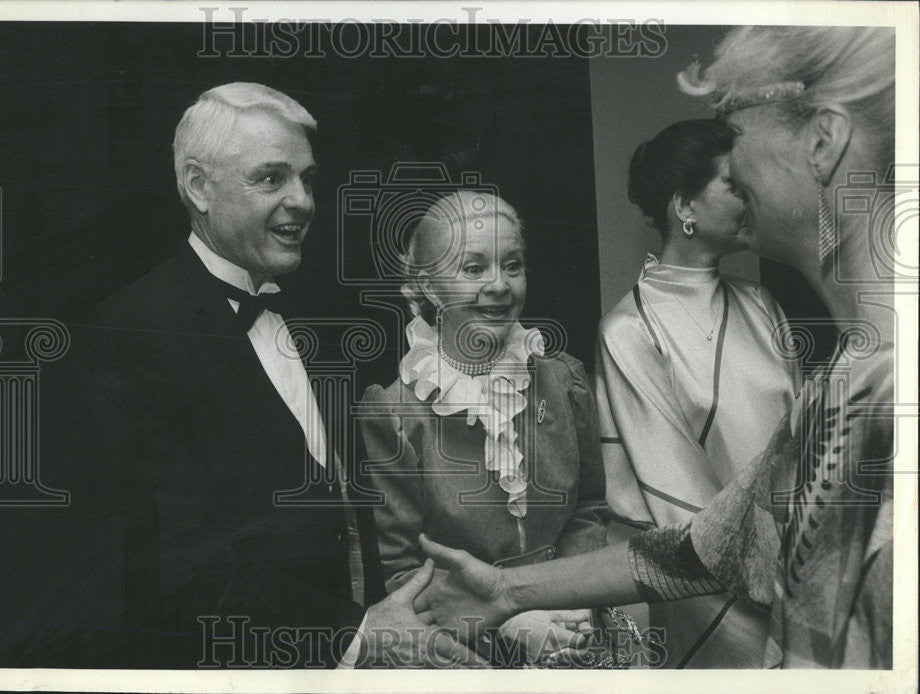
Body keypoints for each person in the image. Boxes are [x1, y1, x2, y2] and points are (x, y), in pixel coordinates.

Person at [414, 26, 896, 669]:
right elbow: (708, 546)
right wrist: (505, 590)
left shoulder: (894, 385)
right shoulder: (847, 376)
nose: (733, 165)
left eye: (736, 135)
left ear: (823, 142)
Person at [0, 83, 482, 669]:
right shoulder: (131, 330)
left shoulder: (313, 310)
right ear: (198, 187)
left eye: (308, 178)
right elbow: (175, 565)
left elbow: (347, 509)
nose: (303, 200)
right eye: (271, 178)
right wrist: (354, 633)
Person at [360, 191, 610, 665]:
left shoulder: (565, 380)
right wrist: (511, 620)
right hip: (468, 645)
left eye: (512, 265)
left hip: (575, 627)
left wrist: (575, 598)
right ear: (429, 287)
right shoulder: (393, 412)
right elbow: (401, 571)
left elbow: (588, 511)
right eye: (473, 269)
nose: (499, 285)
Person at [596, 119, 799, 667]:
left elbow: (804, 448)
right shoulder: (629, 330)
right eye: (734, 184)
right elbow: (677, 507)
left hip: (797, 576)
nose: (751, 197)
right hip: (706, 601)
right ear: (684, 206)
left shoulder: (762, 303)